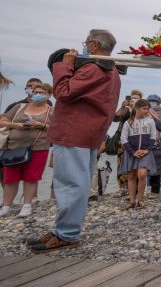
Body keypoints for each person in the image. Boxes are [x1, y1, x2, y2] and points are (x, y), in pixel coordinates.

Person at [27, 29, 121, 252]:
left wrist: (64, 65)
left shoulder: (93, 68)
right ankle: (64, 229)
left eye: (86, 43)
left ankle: (67, 233)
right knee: (76, 181)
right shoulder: (111, 70)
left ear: (94, 45)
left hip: (75, 130)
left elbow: (63, 91)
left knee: (71, 183)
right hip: (86, 131)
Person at [0, 82, 54, 217]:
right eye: (36, 92)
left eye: (42, 93)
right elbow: (2, 121)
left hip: (38, 147)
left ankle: (27, 205)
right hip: (13, 147)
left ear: (49, 95)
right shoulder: (19, 107)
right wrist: (16, 125)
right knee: (10, 178)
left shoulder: (51, 111)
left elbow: (59, 129)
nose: (38, 95)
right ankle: (6, 206)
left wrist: (42, 126)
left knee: (31, 177)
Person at [119, 99, 161, 209]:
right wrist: (133, 152)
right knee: (131, 176)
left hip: (145, 152)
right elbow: (123, 139)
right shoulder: (128, 122)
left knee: (142, 174)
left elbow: (153, 136)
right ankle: (131, 201)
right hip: (132, 153)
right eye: (144, 108)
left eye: (147, 108)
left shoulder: (150, 121)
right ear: (136, 109)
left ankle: (140, 199)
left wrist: (147, 150)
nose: (146, 110)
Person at [114, 90, 143, 196]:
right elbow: (115, 118)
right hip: (122, 141)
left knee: (134, 165)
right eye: (132, 98)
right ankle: (122, 188)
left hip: (136, 141)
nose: (133, 100)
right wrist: (123, 107)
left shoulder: (141, 110)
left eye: (136, 98)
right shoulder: (126, 109)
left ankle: (134, 188)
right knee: (121, 164)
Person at [146, 94, 161, 192]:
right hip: (145, 144)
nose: (152, 103)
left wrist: (152, 116)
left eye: (154, 101)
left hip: (158, 145)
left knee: (157, 168)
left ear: (159, 103)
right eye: (150, 101)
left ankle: (155, 190)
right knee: (144, 168)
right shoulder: (142, 112)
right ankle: (143, 190)